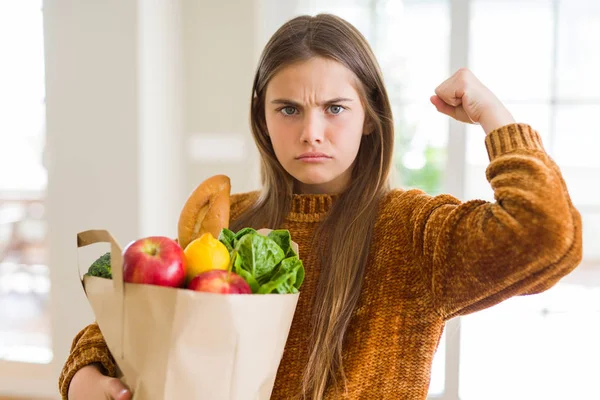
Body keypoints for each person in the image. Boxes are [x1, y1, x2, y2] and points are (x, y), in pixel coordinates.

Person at [60, 13, 582, 400]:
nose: (311, 133)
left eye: (335, 108)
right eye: (288, 109)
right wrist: (84, 373)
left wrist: (493, 113)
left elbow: (546, 231)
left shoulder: (412, 232)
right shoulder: (229, 222)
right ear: (263, 119)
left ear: (370, 117)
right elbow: (137, 323)